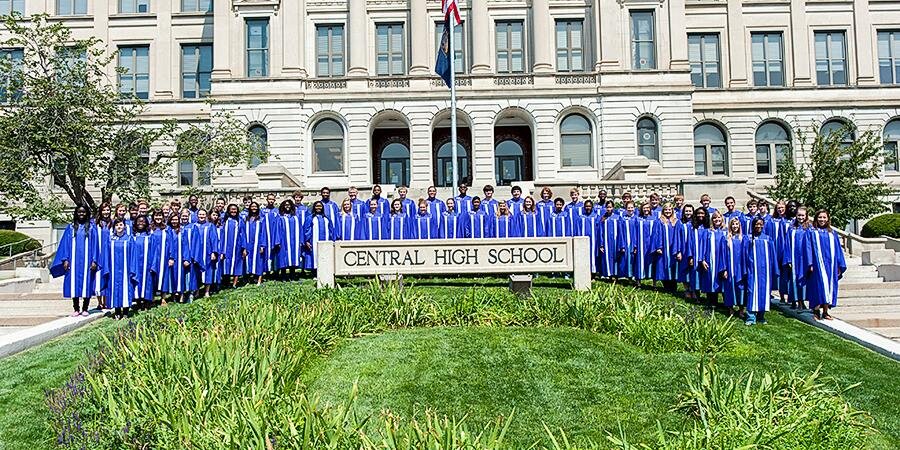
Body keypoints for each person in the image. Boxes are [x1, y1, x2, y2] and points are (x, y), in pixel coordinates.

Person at [50, 206, 99, 316]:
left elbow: (96, 245)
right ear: (76, 213)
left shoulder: (92, 228)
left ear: (87, 213)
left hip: (87, 260)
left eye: (83, 212)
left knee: (87, 283)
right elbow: (65, 245)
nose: (81, 214)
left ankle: (85, 308)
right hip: (73, 261)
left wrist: (95, 260)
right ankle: (76, 308)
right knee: (73, 284)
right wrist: (65, 259)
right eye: (79, 212)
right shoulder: (71, 227)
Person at [806, 209, 847, 320]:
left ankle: (825, 311)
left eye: (824, 217)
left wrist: (839, 264)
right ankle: (815, 310)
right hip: (818, 264)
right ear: (816, 218)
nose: (822, 220)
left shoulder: (832, 233)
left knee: (829, 287)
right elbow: (808, 248)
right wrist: (810, 263)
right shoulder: (811, 232)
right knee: (818, 287)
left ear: (828, 219)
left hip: (831, 265)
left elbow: (838, 250)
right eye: (820, 217)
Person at [744, 217, 779, 325]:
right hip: (752, 270)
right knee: (752, 292)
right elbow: (744, 255)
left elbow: (773, 255)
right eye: (756, 224)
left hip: (765, 272)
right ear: (753, 225)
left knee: (764, 293)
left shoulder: (768, 239)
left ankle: (761, 316)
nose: (758, 226)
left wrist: (775, 270)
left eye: (760, 224)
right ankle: (750, 317)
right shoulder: (748, 238)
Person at [101, 219, 136, 319]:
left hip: (126, 270)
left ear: (124, 226)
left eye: (121, 225)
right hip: (113, 270)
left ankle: (125, 313)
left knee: (125, 289)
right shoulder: (110, 239)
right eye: (117, 225)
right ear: (114, 227)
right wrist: (106, 268)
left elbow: (133, 255)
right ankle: (117, 312)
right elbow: (106, 255)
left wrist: (132, 269)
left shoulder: (129, 239)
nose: (119, 227)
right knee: (115, 290)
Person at [782, 206, 811, 310]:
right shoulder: (791, 228)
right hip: (794, 258)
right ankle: (794, 301)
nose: (801, 217)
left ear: (806, 216)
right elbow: (787, 244)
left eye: (803, 215)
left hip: (805, 259)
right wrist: (788, 259)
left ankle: (802, 301)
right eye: (799, 215)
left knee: (803, 280)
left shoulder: (809, 228)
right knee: (793, 279)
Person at [167, 212, 195, 303]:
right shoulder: (168, 231)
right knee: (171, 276)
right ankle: (173, 294)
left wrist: (186, 258)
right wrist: (170, 257)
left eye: (176, 219)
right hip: (171, 257)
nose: (174, 221)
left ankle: (182, 294)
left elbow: (186, 245)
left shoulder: (183, 231)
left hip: (180, 257)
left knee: (181, 275)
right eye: (173, 219)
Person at [684, 207, 711, 301]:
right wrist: (690, 256)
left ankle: (708, 295)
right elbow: (689, 243)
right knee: (695, 273)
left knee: (705, 274)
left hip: (706, 255)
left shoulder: (708, 228)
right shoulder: (692, 227)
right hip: (695, 254)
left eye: (702, 213)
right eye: (698, 213)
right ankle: (695, 293)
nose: (700, 215)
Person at [130, 216, 156, 310]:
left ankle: (146, 303)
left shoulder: (150, 236)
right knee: (136, 282)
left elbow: (155, 251)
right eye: (139, 221)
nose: (141, 223)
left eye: (143, 221)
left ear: (146, 223)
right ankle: (138, 302)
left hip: (147, 264)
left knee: (147, 283)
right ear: (135, 223)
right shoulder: (132, 237)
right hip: (135, 264)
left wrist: (153, 265)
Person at [722, 218, 747, 315]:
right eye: (733, 224)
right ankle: (730, 307)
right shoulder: (726, 239)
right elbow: (723, 255)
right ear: (730, 226)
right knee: (729, 287)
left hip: (741, 268)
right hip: (730, 267)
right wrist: (724, 269)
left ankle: (741, 309)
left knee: (741, 287)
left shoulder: (744, 238)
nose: (735, 226)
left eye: (737, 224)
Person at [192, 209, 219, 297]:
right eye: (200, 214)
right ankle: (197, 291)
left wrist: (213, 252)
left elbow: (214, 239)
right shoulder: (193, 226)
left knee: (208, 271)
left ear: (206, 216)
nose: (201, 216)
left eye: (203, 214)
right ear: (197, 215)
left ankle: (207, 291)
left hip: (207, 252)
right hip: (197, 253)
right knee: (197, 272)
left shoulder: (210, 226)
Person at [275, 200, 304, 280]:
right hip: (284, 241)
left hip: (295, 242)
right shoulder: (280, 217)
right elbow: (277, 230)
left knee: (294, 257)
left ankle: (292, 275)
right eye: (285, 205)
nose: (287, 206)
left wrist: (301, 241)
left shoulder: (296, 217)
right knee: (283, 257)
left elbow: (300, 229)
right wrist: (278, 241)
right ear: (283, 206)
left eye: (289, 205)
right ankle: (283, 276)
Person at [652, 203, 678, 292]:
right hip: (663, 248)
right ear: (663, 211)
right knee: (663, 265)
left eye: (669, 210)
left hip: (672, 247)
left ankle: (673, 285)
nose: (668, 211)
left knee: (673, 265)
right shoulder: (659, 221)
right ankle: (666, 285)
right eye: (666, 210)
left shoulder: (675, 221)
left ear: (672, 211)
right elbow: (656, 234)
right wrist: (658, 247)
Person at [304, 200, 336, 272]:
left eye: (320, 206)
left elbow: (331, 230)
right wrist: (307, 241)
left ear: (322, 207)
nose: (318, 208)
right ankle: (314, 272)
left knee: (325, 255)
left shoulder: (326, 218)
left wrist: (332, 240)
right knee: (315, 255)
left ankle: (325, 271)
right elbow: (307, 230)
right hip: (314, 241)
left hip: (326, 240)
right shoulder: (310, 218)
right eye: (317, 206)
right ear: (314, 207)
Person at [242, 202, 268, 285]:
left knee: (259, 260)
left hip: (258, 243)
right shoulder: (246, 218)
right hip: (248, 243)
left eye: (255, 207)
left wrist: (262, 245)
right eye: (252, 207)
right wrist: (244, 246)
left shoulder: (261, 218)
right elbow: (243, 233)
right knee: (248, 260)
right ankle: (249, 278)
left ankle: (259, 279)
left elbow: (264, 232)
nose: (254, 208)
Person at [673, 204, 695, 299]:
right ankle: (686, 289)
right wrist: (678, 251)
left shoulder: (695, 223)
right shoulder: (680, 223)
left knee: (693, 270)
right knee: (684, 270)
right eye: (686, 211)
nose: (688, 213)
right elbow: (676, 237)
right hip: (683, 249)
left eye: (690, 211)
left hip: (693, 250)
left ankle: (693, 289)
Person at [220, 204, 244, 288]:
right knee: (226, 263)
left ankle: (234, 283)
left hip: (237, 246)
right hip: (226, 246)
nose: (233, 211)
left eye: (235, 209)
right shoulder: (224, 220)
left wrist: (243, 247)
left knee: (237, 263)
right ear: (228, 210)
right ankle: (226, 282)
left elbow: (243, 234)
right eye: (231, 209)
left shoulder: (240, 221)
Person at [574, 200, 600, 274]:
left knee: (593, 255)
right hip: (583, 240)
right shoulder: (581, 217)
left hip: (594, 240)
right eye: (586, 206)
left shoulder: (596, 217)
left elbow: (598, 229)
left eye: (589, 206)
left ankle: (594, 273)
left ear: (592, 207)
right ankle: (584, 271)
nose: (588, 208)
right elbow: (578, 229)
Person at [597, 200, 620, 279]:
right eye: (607, 207)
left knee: (615, 257)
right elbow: (600, 232)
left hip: (615, 241)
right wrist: (601, 244)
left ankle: (615, 274)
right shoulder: (603, 218)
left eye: (610, 207)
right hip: (606, 241)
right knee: (607, 257)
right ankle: (609, 274)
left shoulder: (617, 217)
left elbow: (620, 231)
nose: (609, 209)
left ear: (613, 207)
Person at [634, 203, 656, 283]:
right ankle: (638, 281)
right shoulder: (638, 219)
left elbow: (656, 233)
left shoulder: (654, 219)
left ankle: (654, 283)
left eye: (647, 208)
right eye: (644, 208)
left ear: (650, 209)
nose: (646, 209)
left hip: (651, 245)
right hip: (641, 244)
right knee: (639, 261)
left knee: (652, 262)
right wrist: (635, 245)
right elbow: (634, 233)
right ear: (641, 209)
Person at [618, 201, 638, 281]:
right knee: (625, 259)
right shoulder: (622, 219)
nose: (630, 209)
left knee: (634, 258)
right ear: (625, 209)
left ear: (634, 208)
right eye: (628, 208)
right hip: (625, 242)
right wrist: (622, 245)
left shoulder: (637, 219)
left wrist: (636, 245)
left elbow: (637, 233)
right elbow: (620, 232)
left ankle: (633, 275)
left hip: (634, 242)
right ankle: (626, 275)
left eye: (631, 207)